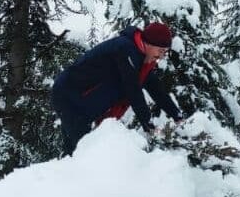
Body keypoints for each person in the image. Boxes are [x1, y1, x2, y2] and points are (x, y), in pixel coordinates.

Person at [52, 21, 185, 155]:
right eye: (160, 51)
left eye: (165, 52)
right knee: (85, 153)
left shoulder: (141, 61)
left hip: (83, 104)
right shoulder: (125, 49)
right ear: (148, 43)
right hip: (70, 99)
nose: (161, 56)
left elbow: (157, 90)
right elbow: (133, 90)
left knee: (77, 152)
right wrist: (148, 124)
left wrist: (177, 115)